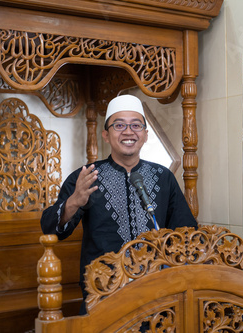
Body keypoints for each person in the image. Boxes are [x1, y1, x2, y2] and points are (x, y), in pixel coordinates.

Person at [40, 94, 197, 314]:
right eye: (119, 125)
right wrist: (74, 201)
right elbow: (50, 228)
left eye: (136, 125)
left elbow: (186, 231)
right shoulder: (86, 177)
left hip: (156, 291)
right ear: (106, 135)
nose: (128, 131)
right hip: (103, 291)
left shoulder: (163, 177)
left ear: (144, 135)